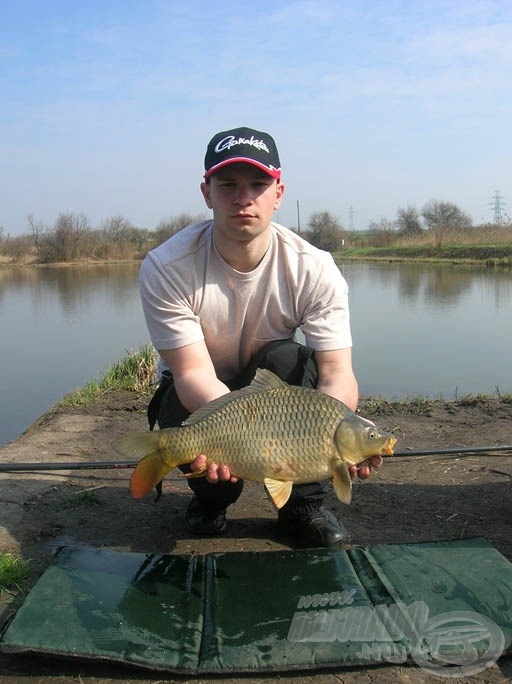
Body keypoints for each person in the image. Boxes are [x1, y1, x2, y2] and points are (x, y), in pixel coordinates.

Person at [139, 126, 382, 548]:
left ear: (279, 193)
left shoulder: (315, 267)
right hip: (200, 392)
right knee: (190, 424)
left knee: (295, 359)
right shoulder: (166, 266)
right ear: (206, 192)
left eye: (258, 184)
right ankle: (212, 500)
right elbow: (192, 371)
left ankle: (302, 508)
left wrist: (347, 434)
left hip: (271, 387)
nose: (243, 197)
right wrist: (233, 438)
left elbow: (337, 373)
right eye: (227, 184)